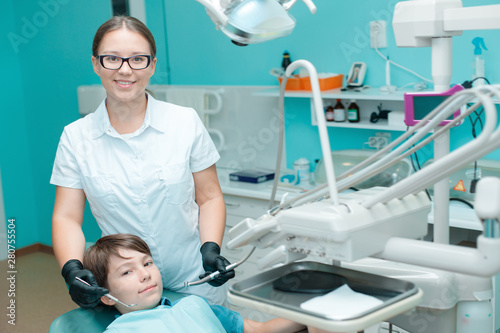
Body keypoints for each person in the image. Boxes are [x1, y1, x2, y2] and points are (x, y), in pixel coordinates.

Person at [51, 15, 232, 308]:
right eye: (112, 58)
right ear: (96, 63)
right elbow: (67, 217)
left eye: (138, 59)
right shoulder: (75, 138)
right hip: (128, 289)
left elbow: (209, 196)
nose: (125, 70)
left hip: (195, 277)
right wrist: (71, 268)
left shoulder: (184, 122)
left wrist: (210, 248)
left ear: (152, 65)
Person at [82, 233, 308, 333]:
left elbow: (259, 329)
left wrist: (311, 312)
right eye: (127, 272)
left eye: (148, 263)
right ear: (105, 295)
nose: (145, 274)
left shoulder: (194, 306)